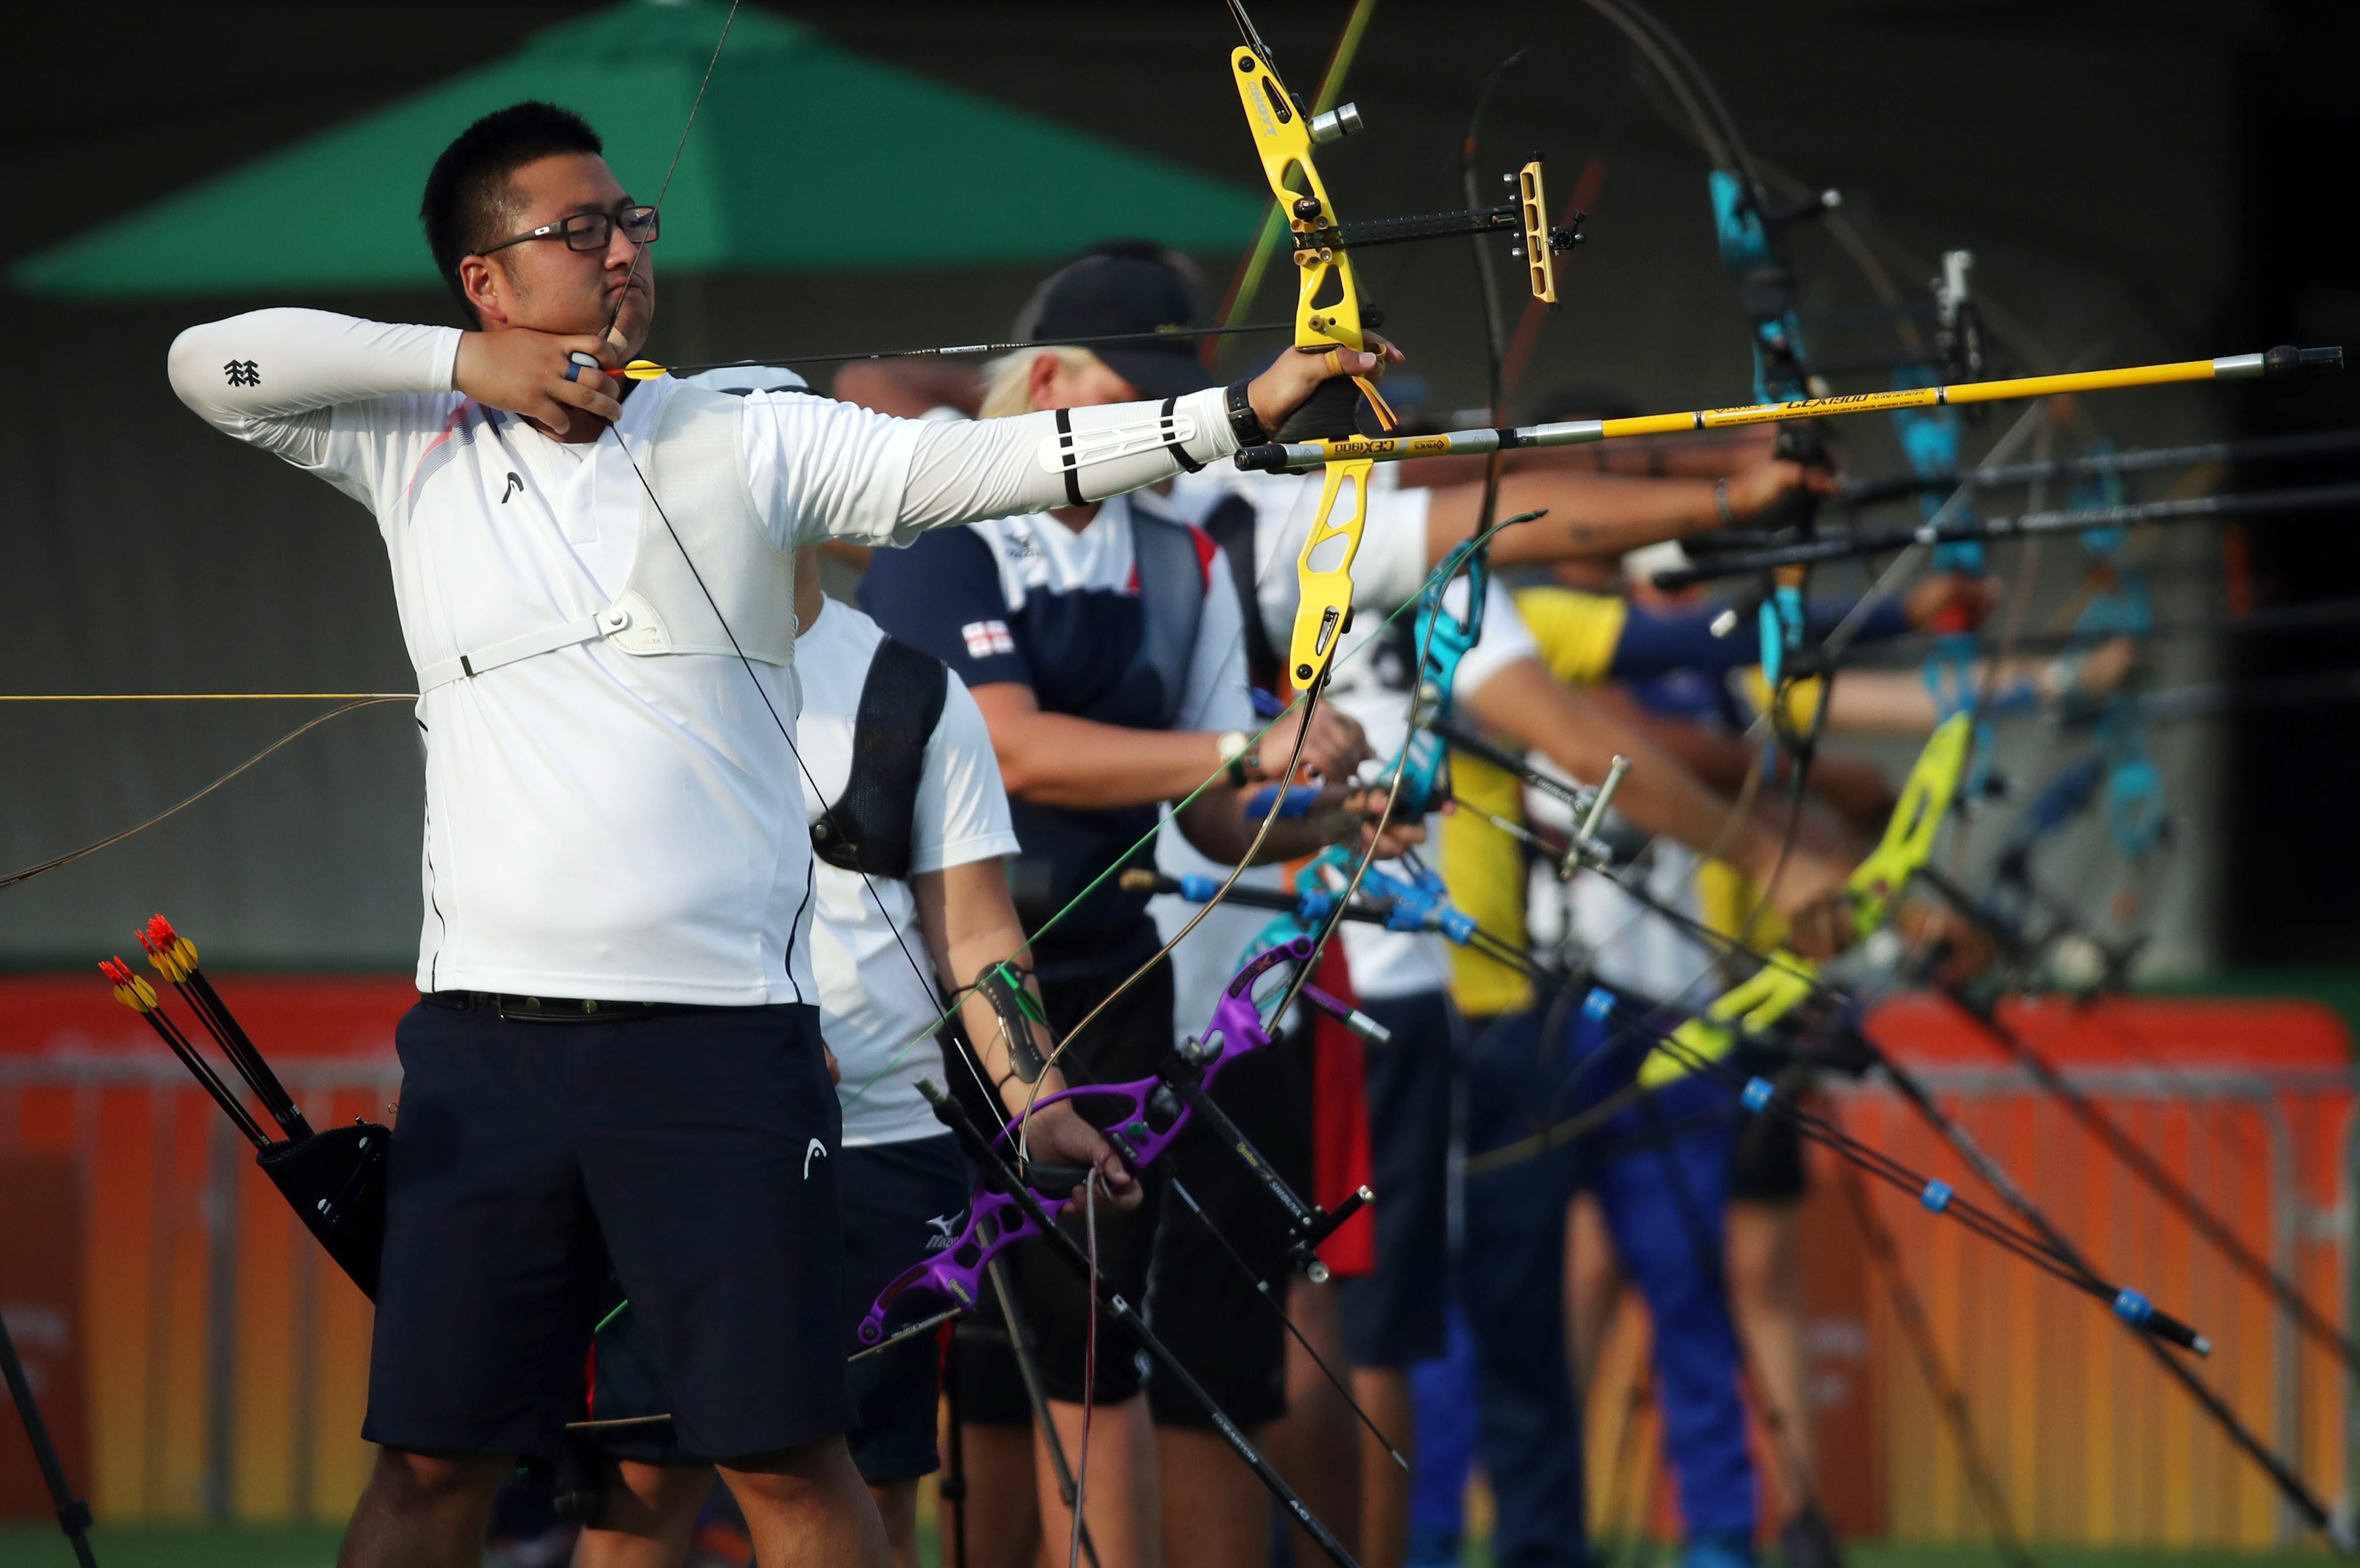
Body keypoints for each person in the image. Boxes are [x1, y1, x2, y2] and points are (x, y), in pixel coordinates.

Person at [167, 101, 1393, 1568]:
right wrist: (462, 367)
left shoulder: (739, 432)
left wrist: (1241, 411)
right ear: (484, 280)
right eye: (578, 228)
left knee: (791, 1464)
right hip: (488, 1043)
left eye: (631, 221)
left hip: (718, 1048)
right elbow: (209, 363)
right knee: (431, 1464)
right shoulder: (411, 440)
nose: (622, 248)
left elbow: (993, 466)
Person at [860, 252, 1419, 1568]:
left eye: (1173, 397)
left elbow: (1218, 817)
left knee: (1091, 1354)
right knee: (963, 1371)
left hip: (1105, 983)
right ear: (1045, 381)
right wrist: (1239, 754)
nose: (1156, 427)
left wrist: (1324, 801)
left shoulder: (1174, 549)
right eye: (1132, 391)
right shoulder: (946, 529)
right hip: (938, 976)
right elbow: (1011, 749)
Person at [561, 366, 1127, 1568]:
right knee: (639, 1490)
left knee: (869, 1487)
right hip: (676, 1141)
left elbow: (974, 933)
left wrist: (1040, 1097)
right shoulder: (607, 670)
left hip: (876, 1149)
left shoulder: (913, 687)